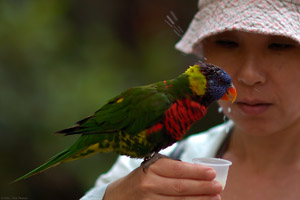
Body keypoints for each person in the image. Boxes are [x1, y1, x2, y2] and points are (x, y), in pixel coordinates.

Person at [81, 0, 300, 199]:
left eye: (280, 45)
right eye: (227, 43)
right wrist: (116, 196)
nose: (249, 76)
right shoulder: (147, 167)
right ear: (203, 51)